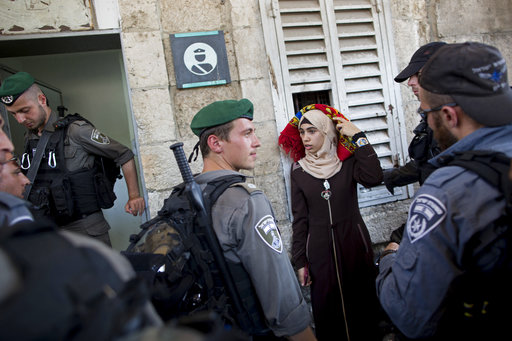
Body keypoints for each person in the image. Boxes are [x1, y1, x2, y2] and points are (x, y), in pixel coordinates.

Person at [376, 42, 512, 339]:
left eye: (426, 112)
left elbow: (408, 311)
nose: (425, 118)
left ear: (449, 116)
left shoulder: (448, 189)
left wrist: (388, 259)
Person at [189, 98, 316, 341]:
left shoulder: (189, 193)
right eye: (247, 134)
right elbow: (281, 295)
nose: (257, 142)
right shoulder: (246, 201)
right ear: (215, 143)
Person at [0, 71, 146, 246]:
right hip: (51, 228)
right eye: (13, 114)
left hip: (84, 228)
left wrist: (134, 195)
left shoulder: (76, 130)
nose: (20, 119)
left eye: (24, 111)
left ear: (42, 100)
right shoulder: (29, 137)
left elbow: (124, 154)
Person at [278, 104, 384, 340]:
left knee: (362, 303)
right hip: (319, 251)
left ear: (327, 132)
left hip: (354, 243)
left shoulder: (347, 163)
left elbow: (374, 178)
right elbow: (300, 220)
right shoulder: (299, 171)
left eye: (312, 131)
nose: (305, 137)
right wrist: (300, 261)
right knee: (328, 308)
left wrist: (359, 137)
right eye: (302, 132)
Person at [383, 42, 446, 195]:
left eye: (419, 75)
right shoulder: (435, 115)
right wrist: (387, 177)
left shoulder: (473, 118)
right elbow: (426, 164)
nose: (410, 82)